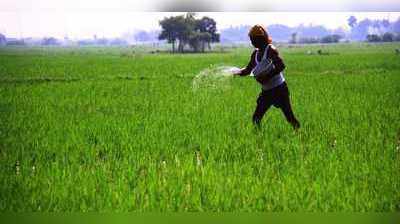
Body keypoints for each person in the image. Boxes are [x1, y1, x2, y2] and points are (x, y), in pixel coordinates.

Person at [233, 25, 300, 130]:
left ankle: (300, 135)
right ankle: (259, 140)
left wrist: (266, 77)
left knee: (290, 118)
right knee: (256, 118)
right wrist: (236, 72)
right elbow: (248, 69)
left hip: (279, 90)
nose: (252, 42)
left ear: (260, 38)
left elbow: (281, 65)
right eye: (251, 40)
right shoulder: (255, 53)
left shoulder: (270, 49)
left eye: (253, 39)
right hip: (267, 92)